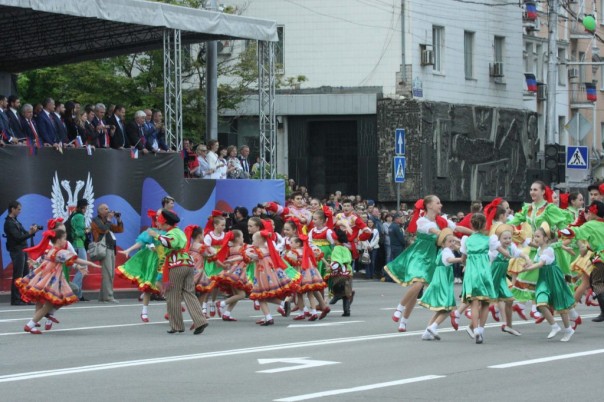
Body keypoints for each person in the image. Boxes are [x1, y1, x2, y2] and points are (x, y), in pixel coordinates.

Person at [386, 196, 457, 332]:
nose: (441, 205)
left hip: (432, 257)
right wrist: (450, 237)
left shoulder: (442, 220)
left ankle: (404, 321)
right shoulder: (422, 220)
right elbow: (437, 232)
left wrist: (474, 234)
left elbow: (456, 228)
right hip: (419, 254)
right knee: (418, 283)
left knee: (418, 290)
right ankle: (399, 308)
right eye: (438, 203)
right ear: (429, 206)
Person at [17, 229, 100, 334]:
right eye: (64, 238)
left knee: (57, 299)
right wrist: (90, 263)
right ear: (58, 240)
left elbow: (43, 262)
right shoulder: (59, 252)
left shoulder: (51, 250)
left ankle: (35, 323)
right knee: (52, 303)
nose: (65, 241)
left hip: (46, 280)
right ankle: (31, 324)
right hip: (51, 281)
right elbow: (75, 259)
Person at [147, 210, 209, 334]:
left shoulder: (172, 233)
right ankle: (200, 321)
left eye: (159, 221)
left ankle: (177, 326)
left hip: (176, 264)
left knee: (172, 295)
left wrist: (156, 235)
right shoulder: (179, 231)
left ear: (165, 223)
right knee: (189, 293)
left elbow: (171, 243)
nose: (157, 224)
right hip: (187, 263)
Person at [521, 224, 576, 342]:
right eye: (534, 236)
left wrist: (528, 269)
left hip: (554, 278)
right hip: (543, 279)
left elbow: (540, 264)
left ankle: (568, 330)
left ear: (546, 238)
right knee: (540, 303)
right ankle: (554, 326)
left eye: (538, 236)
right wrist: (526, 264)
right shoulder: (539, 250)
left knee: (561, 306)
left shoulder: (549, 250)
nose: (535, 238)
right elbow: (535, 262)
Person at [418, 229, 462, 340]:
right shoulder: (446, 252)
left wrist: (458, 246)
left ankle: (427, 332)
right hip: (443, 283)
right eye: (449, 241)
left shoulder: (443, 251)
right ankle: (433, 327)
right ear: (443, 244)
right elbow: (449, 260)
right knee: (448, 308)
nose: (452, 243)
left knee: (441, 310)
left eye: (453, 241)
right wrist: (461, 259)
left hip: (440, 281)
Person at [4, 201, 41, 305]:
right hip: (16, 250)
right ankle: (16, 299)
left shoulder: (15, 221)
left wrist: (31, 232)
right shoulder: (9, 223)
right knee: (18, 275)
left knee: (25, 274)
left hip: (22, 249)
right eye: (18, 209)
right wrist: (30, 233)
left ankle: (24, 297)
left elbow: (24, 233)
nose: (20, 211)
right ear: (13, 209)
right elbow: (18, 238)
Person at [90, 204, 124, 303]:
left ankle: (102, 296)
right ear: (100, 211)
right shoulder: (96, 220)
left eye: (108, 209)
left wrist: (118, 220)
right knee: (108, 273)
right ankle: (108, 296)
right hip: (104, 248)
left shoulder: (106, 221)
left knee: (110, 273)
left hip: (111, 248)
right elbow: (103, 229)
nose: (108, 210)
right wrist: (109, 219)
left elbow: (119, 230)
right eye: (106, 209)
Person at [69, 198, 91, 301]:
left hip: (74, 244)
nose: (86, 209)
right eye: (86, 207)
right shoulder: (80, 216)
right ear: (83, 207)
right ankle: (73, 290)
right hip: (79, 244)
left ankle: (79, 295)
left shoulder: (73, 215)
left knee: (79, 268)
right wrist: (86, 231)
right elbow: (78, 232)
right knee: (83, 268)